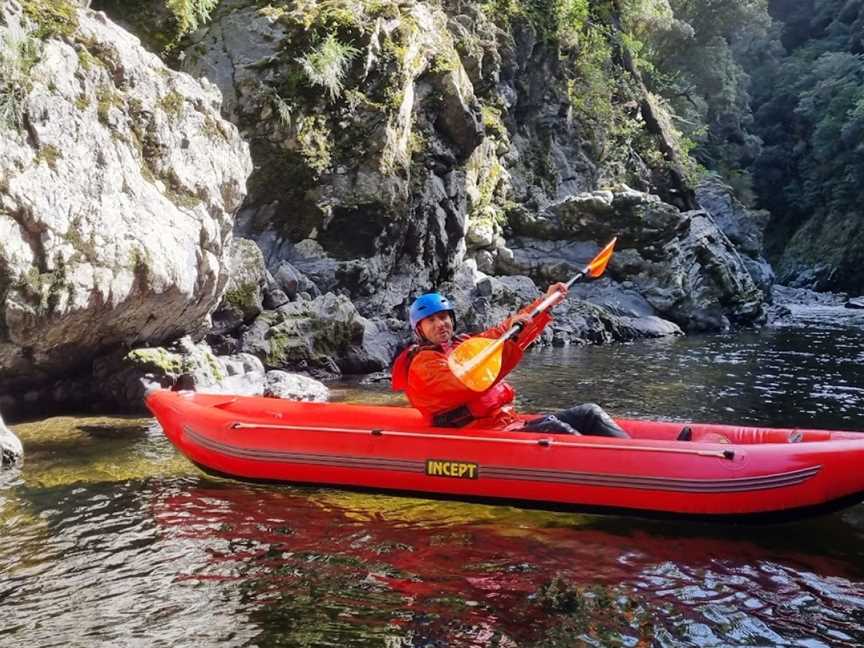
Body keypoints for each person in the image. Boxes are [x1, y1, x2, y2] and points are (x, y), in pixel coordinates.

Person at [391, 286, 629, 438]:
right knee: (558, 431)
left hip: (506, 423)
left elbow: (503, 332)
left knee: (590, 413)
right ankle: (618, 479)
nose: (440, 324)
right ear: (419, 330)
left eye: (443, 317)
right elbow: (470, 379)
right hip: (480, 433)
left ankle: (629, 460)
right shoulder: (423, 365)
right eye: (430, 320)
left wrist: (544, 303)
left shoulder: (465, 344)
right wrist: (511, 339)